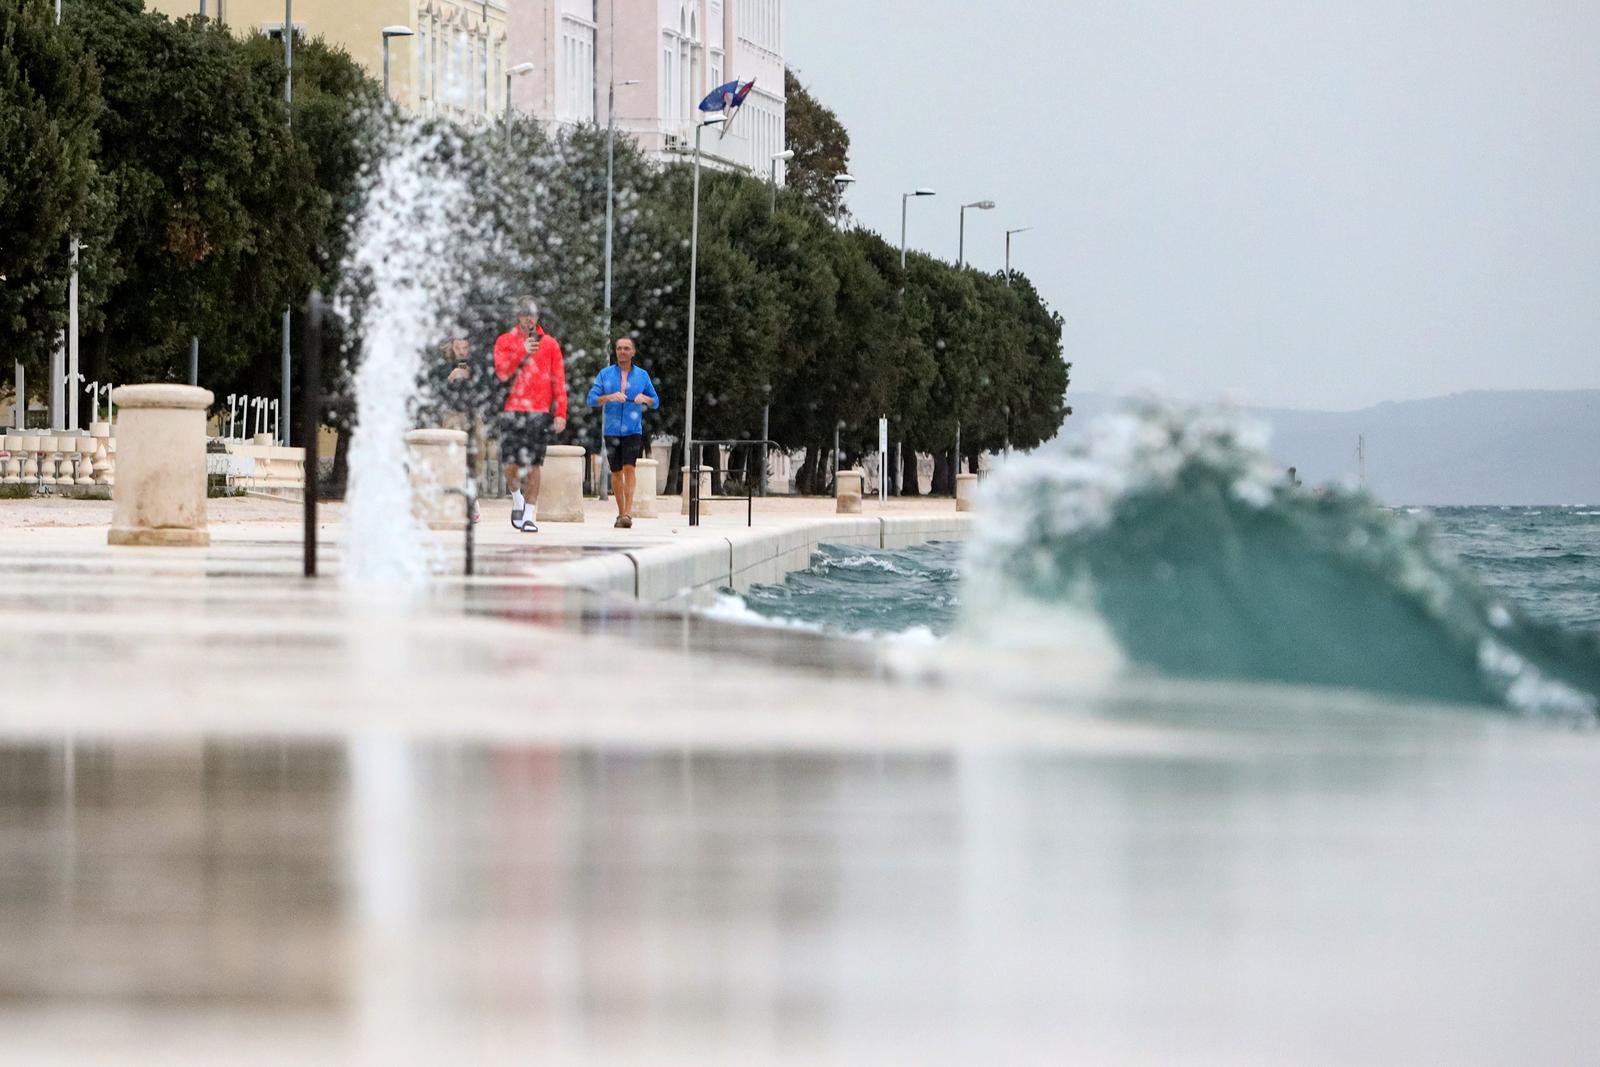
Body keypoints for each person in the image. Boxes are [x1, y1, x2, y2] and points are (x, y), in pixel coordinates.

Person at [494, 300, 567, 533]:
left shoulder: (550, 344)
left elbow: (559, 379)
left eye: (532, 315)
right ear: (518, 316)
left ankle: (528, 515)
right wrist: (520, 351)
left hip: (540, 411)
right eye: (524, 314)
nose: (528, 319)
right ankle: (517, 499)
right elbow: (502, 373)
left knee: (535, 463)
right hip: (512, 409)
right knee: (511, 463)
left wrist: (561, 412)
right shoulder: (505, 341)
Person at [586, 336, 659, 528]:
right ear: (615, 351)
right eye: (619, 348)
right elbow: (591, 399)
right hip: (611, 430)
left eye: (627, 348)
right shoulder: (605, 374)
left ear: (633, 352)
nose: (622, 351)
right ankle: (621, 513)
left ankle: (627, 512)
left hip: (633, 429)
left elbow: (656, 401)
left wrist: (645, 398)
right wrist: (609, 397)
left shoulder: (642, 376)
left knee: (630, 468)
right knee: (616, 472)